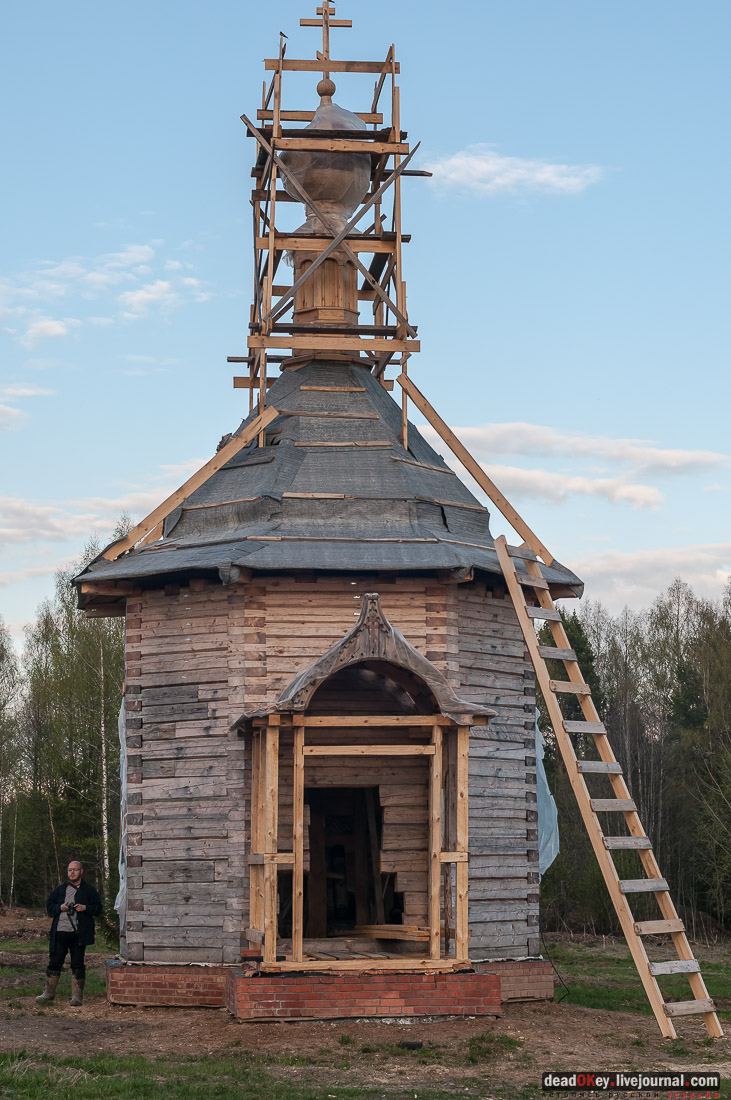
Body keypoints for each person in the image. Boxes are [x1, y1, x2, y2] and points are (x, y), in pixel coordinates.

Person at [36, 860, 102, 1007]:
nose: (72, 872)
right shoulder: (60, 889)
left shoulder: (89, 890)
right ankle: (48, 993)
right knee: (54, 961)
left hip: (79, 934)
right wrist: (60, 907)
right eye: (69, 870)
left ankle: (77, 996)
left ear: (81, 872)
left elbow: (98, 909)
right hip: (60, 932)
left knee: (77, 963)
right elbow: (49, 907)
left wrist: (85, 908)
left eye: (75, 869)